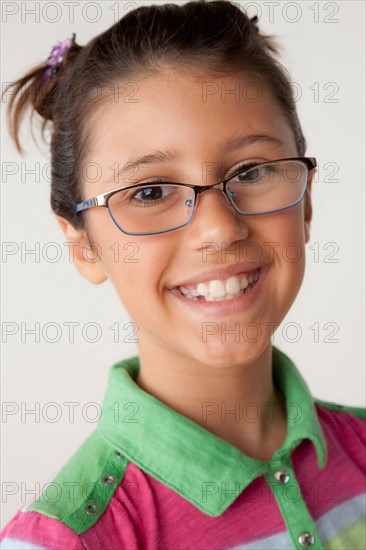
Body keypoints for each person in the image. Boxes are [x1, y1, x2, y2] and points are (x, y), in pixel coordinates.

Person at [1, 1, 365, 549]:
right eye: (149, 192)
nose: (218, 229)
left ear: (306, 203)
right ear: (83, 244)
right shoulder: (69, 540)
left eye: (253, 171)